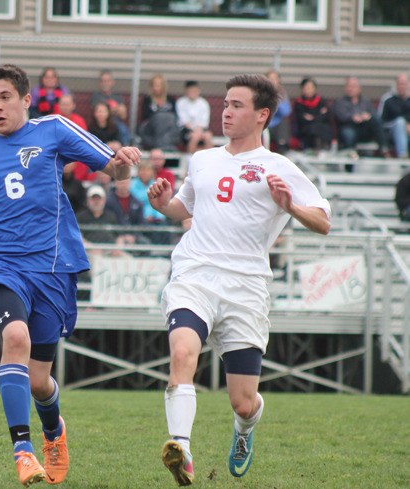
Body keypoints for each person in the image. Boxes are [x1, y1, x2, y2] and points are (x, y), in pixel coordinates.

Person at [0, 64, 140, 487]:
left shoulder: (55, 130)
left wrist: (124, 165)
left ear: (26, 99)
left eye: (5, 97)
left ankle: (53, 432)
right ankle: (22, 451)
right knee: (15, 338)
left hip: (53, 267)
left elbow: (114, 172)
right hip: (2, 266)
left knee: (40, 381)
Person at [147, 74, 331, 485]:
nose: (226, 112)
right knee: (181, 354)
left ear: (262, 114)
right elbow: (184, 208)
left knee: (243, 402)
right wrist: (163, 204)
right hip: (195, 273)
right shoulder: (204, 159)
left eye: (237, 105)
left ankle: (244, 431)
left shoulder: (280, 167)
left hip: (246, 287)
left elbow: (323, 221)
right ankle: (182, 448)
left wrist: (291, 207)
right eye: (225, 103)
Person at [334, 76, 389, 159]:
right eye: (349, 86)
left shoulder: (366, 101)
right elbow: (341, 116)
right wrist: (353, 117)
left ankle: (384, 149)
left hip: (364, 129)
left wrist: (367, 116)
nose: (351, 89)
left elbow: (373, 114)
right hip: (349, 127)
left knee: (376, 120)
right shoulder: (340, 102)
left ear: (359, 88)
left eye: (353, 86)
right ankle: (351, 158)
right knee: (348, 133)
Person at [138, 73, 180, 151]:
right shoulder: (147, 99)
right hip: (152, 130)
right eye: (155, 85)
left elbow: (175, 116)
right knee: (159, 118)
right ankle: (164, 147)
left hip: (168, 131)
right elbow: (145, 116)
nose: (157, 87)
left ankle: (161, 146)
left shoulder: (171, 99)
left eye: (159, 85)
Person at [90, 69, 131, 145]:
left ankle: (126, 148)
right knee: (121, 128)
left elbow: (123, 115)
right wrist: (116, 109)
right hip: (102, 123)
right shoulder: (96, 96)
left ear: (112, 82)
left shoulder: (118, 97)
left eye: (108, 81)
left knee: (123, 128)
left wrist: (112, 109)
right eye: (103, 81)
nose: (105, 83)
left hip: (116, 123)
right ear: (99, 83)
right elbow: (99, 110)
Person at [293, 77, 333, 151]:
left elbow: (326, 116)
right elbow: (301, 118)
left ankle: (324, 149)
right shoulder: (299, 103)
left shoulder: (321, 101)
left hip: (320, 126)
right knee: (312, 128)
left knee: (324, 128)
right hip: (305, 128)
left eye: (311, 87)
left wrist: (313, 118)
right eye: (307, 87)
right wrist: (318, 115)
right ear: (302, 89)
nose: (309, 90)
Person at [175, 80, 213, 154]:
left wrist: (199, 131)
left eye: (194, 90)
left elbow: (204, 121)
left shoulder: (203, 103)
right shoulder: (181, 102)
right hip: (185, 130)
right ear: (186, 91)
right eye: (190, 91)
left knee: (208, 136)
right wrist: (195, 132)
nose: (192, 93)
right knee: (194, 137)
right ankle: (191, 159)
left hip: (201, 129)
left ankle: (209, 159)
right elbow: (184, 121)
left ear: (199, 91)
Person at [379, 73, 410, 158]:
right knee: (400, 122)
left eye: (404, 84)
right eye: (400, 84)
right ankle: (402, 156)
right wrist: (403, 125)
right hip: (391, 132)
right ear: (396, 85)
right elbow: (381, 121)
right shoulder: (387, 100)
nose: (402, 86)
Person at [265, 70, 291, 155]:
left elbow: (286, 112)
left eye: (275, 79)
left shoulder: (282, 94)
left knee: (284, 123)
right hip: (264, 124)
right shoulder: (260, 93)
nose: (273, 81)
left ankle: (282, 150)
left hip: (277, 124)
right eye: (270, 79)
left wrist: (276, 100)